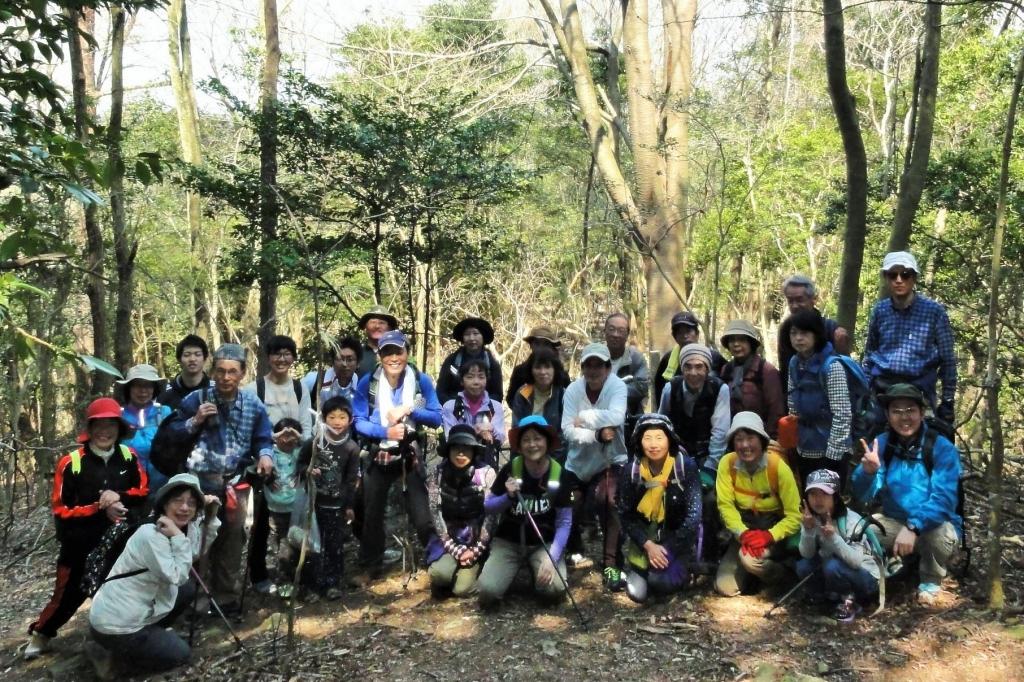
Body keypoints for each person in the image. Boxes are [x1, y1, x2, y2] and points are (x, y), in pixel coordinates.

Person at [25, 398, 148, 660]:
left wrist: (119, 496)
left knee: (119, 588)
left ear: (119, 427)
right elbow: (61, 509)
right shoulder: (71, 463)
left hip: (119, 542)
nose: (105, 431)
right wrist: (98, 507)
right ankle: (41, 634)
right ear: (89, 429)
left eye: (110, 425)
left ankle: (117, 636)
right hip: (78, 543)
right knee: (67, 595)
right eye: (99, 425)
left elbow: (142, 492)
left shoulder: (129, 457)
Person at [164, 343, 274, 613]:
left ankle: (225, 596)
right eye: (221, 371)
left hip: (236, 482)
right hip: (200, 482)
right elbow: (171, 434)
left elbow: (263, 437)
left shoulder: (252, 404)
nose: (226, 377)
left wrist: (265, 455)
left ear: (243, 373)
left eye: (233, 372)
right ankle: (196, 597)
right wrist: (195, 420)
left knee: (232, 540)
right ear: (212, 371)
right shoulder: (197, 399)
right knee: (199, 539)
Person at [87, 473, 220, 677]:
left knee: (186, 590)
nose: (184, 508)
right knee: (181, 654)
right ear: (165, 503)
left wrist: (209, 519)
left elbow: (192, 552)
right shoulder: (151, 533)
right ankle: (116, 660)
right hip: (116, 626)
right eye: (178, 500)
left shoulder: (171, 528)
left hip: (128, 612)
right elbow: (177, 575)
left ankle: (149, 637)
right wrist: (177, 535)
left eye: (191, 503)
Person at [851, 383, 962, 606]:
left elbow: (944, 500)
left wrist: (913, 527)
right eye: (897, 411)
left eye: (910, 410)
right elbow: (862, 495)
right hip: (895, 521)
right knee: (861, 531)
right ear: (887, 415)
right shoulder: (882, 444)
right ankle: (878, 574)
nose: (904, 417)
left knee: (936, 535)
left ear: (922, 413)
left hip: (934, 525)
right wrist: (867, 473)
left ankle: (930, 581)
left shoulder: (940, 447)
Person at [352, 330, 442, 576]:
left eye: (398, 351)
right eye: (387, 352)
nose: (393, 358)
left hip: (410, 451)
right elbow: (358, 421)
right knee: (372, 512)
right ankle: (371, 565)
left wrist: (410, 409)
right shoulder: (368, 382)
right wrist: (385, 432)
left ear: (407, 353)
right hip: (378, 451)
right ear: (379, 356)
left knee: (421, 511)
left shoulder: (420, 381)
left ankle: (437, 559)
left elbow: (436, 417)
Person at [477, 416, 574, 607]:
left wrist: (551, 558)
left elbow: (564, 522)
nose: (532, 444)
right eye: (526, 440)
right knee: (488, 592)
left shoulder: (560, 474)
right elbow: (488, 506)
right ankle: (509, 571)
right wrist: (508, 497)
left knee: (555, 589)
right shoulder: (511, 469)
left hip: (542, 543)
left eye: (537, 438)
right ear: (519, 445)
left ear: (547, 441)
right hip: (509, 542)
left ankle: (535, 569)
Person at [241, 334, 312, 595]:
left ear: (293, 358)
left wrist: (298, 440)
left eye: (287, 354)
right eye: (276, 354)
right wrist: (273, 440)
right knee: (260, 521)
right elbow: (249, 427)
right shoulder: (253, 389)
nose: (282, 359)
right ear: (268, 357)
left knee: (293, 519)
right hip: (263, 463)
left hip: (294, 463)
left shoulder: (299, 387)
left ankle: (294, 572)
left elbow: (306, 424)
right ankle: (258, 575)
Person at [561, 342, 628, 590]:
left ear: (608, 368)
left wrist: (586, 418)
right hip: (578, 462)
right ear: (582, 369)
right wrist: (596, 435)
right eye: (588, 365)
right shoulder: (572, 391)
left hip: (611, 460)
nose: (593, 370)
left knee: (609, 502)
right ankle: (571, 546)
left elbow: (617, 417)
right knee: (569, 502)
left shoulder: (617, 386)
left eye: (598, 365)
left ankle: (612, 563)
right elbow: (567, 429)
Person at [862, 251, 957, 424]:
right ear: (886, 278)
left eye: (905, 274)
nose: (899, 280)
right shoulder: (880, 310)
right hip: (884, 388)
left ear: (914, 278)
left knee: (930, 440)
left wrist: (948, 400)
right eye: (893, 275)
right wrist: (863, 389)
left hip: (919, 389)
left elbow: (948, 359)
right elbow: (870, 353)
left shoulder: (934, 311)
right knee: (870, 436)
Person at [715, 412, 801, 597]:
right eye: (739, 439)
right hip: (743, 531)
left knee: (749, 560)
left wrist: (769, 536)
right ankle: (753, 578)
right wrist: (742, 533)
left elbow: (795, 516)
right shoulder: (727, 464)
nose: (745, 445)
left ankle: (783, 576)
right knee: (726, 587)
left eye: (750, 438)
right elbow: (726, 506)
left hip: (773, 530)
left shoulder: (777, 467)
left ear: (761, 440)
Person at [617, 414, 701, 603]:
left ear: (669, 439)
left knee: (659, 583)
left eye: (659, 437)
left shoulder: (685, 468)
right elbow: (625, 513)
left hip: (675, 543)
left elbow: (694, 516)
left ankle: (683, 570)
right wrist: (648, 545)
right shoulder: (632, 471)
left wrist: (666, 548)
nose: (653, 444)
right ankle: (645, 571)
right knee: (636, 593)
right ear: (639, 441)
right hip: (644, 544)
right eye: (647, 438)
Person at [797, 469, 879, 623]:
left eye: (824, 494)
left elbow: (855, 561)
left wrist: (833, 537)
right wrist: (808, 530)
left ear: (835, 497)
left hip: (866, 576)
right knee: (803, 565)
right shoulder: (810, 518)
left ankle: (851, 601)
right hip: (834, 568)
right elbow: (807, 554)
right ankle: (823, 596)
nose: (818, 500)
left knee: (832, 566)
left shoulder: (851, 521)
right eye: (813, 494)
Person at [298, 396, 360, 600]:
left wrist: (349, 505)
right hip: (313, 505)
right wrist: (308, 471)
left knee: (334, 546)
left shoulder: (352, 448)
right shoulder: (314, 442)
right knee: (312, 546)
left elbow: (351, 480)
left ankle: (332, 583)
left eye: (342, 417)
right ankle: (311, 586)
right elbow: (299, 464)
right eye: (332, 417)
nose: (337, 421)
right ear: (324, 419)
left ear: (350, 420)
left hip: (336, 506)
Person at [425, 425, 496, 598]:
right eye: (456, 448)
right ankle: (450, 571)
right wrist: (455, 550)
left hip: (477, 537)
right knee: (438, 575)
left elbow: (492, 517)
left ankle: (478, 569)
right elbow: (435, 512)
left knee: (462, 590)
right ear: (448, 450)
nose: (461, 454)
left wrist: (476, 550)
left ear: (474, 451)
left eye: (466, 449)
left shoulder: (487, 473)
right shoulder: (436, 473)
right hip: (448, 536)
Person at [786, 308, 852, 488]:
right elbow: (792, 401)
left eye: (804, 333)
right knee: (808, 496)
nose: (798, 338)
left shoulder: (832, 366)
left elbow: (842, 413)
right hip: (805, 445)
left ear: (817, 334)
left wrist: (833, 455)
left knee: (830, 501)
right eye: (794, 333)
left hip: (830, 449)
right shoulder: (794, 363)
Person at [657, 343, 730, 481]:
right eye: (688, 367)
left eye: (699, 367)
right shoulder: (670, 388)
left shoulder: (719, 389)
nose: (693, 373)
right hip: (676, 453)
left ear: (707, 369)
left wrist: (710, 466)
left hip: (707, 453)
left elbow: (720, 432)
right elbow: (661, 425)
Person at [777, 275, 850, 393]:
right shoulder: (786, 329)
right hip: (798, 395)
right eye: (790, 301)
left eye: (800, 300)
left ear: (813, 299)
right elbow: (785, 370)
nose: (795, 305)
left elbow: (846, 368)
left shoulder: (830, 328)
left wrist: (842, 348)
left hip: (830, 395)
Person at [719, 320, 784, 441]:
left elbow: (776, 409)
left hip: (760, 437)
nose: (736, 344)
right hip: (733, 436)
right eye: (732, 340)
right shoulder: (726, 370)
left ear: (751, 343)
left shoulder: (766, 370)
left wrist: (769, 441)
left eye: (742, 340)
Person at [116, 364, 172, 495]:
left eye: (148, 385)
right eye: (137, 385)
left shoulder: (164, 413)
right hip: (127, 490)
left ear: (154, 389)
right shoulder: (118, 416)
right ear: (128, 388)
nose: (143, 391)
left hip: (162, 490)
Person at [441, 359, 506, 468]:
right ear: (461, 381)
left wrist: (491, 428)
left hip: (486, 463)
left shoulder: (495, 407)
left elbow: (500, 438)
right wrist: (476, 431)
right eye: (470, 377)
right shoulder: (450, 406)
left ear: (486, 380)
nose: (476, 382)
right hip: (457, 460)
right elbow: (450, 438)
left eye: (481, 377)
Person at [264, 418, 303, 589]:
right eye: (283, 436)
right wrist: (274, 436)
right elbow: (259, 451)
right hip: (277, 509)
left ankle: (296, 576)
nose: (287, 440)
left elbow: (315, 446)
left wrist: (298, 437)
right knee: (282, 543)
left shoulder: (299, 453)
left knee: (297, 543)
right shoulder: (269, 453)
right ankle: (283, 577)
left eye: (291, 436)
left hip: (298, 508)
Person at [509, 347, 566, 461]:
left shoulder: (562, 395)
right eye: (538, 367)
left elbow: (563, 436)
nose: (543, 372)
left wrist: (549, 461)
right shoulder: (522, 393)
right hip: (525, 456)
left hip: (554, 459)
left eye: (547, 367)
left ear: (555, 369)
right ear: (531, 370)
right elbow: (517, 429)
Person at [654, 312, 725, 400]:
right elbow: (659, 390)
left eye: (688, 331)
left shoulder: (714, 357)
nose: (685, 336)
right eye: (680, 332)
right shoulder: (667, 360)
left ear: (697, 333)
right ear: (674, 336)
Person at [436, 316, 503, 404]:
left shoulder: (491, 363)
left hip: (484, 410)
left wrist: (482, 406)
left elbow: (497, 394)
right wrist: (454, 406)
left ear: (483, 336)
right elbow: (441, 391)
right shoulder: (452, 361)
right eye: (467, 334)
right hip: (454, 409)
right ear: (462, 338)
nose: (472, 338)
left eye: (475, 334)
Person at [603, 312, 650, 426]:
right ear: (604, 332)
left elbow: (641, 387)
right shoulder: (595, 357)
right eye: (611, 329)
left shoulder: (635, 358)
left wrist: (610, 390)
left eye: (621, 330)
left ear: (627, 334)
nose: (616, 334)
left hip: (629, 418)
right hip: (600, 417)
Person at [504, 325, 571, 405]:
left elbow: (569, 401)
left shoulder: (561, 374)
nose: (541, 348)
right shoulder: (520, 371)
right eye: (537, 343)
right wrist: (524, 409)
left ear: (551, 347)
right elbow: (511, 399)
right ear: (531, 345)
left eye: (545, 344)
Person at [302, 336, 362, 409]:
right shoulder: (315, 380)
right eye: (340, 359)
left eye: (350, 360)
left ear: (358, 363)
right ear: (332, 361)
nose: (344, 364)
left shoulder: (361, 386)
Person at [158, 334, 210, 410]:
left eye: (197, 354)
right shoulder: (165, 392)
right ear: (179, 360)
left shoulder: (215, 389)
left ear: (205, 359)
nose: (192, 359)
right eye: (187, 355)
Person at [356, 305, 399, 378]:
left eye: (382, 323)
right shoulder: (356, 355)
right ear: (365, 327)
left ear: (390, 328)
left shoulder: (398, 355)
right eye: (373, 322)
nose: (377, 326)